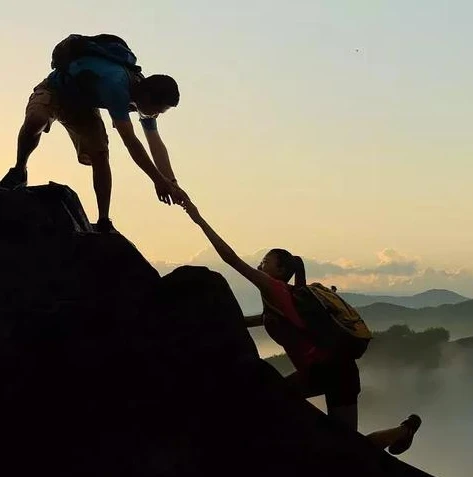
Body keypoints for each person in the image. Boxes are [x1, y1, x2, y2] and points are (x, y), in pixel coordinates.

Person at [181, 199, 422, 455]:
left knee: (269, 401)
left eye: (265, 261)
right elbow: (257, 321)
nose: (259, 266)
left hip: (326, 371)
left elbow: (231, 259)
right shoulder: (285, 300)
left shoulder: (275, 290)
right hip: (341, 370)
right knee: (350, 448)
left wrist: (198, 219)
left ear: (280, 270)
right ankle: (403, 430)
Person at [0, 34, 188, 232]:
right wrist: (158, 181)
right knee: (36, 120)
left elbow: (154, 142)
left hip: (82, 106)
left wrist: (172, 183)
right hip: (55, 90)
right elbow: (131, 141)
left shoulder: (142, 92)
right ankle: (19, 170)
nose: (157, 114)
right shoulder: (116, 84)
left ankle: (104, 220)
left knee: (100, 155)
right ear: (148, 97)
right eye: (158, 109)